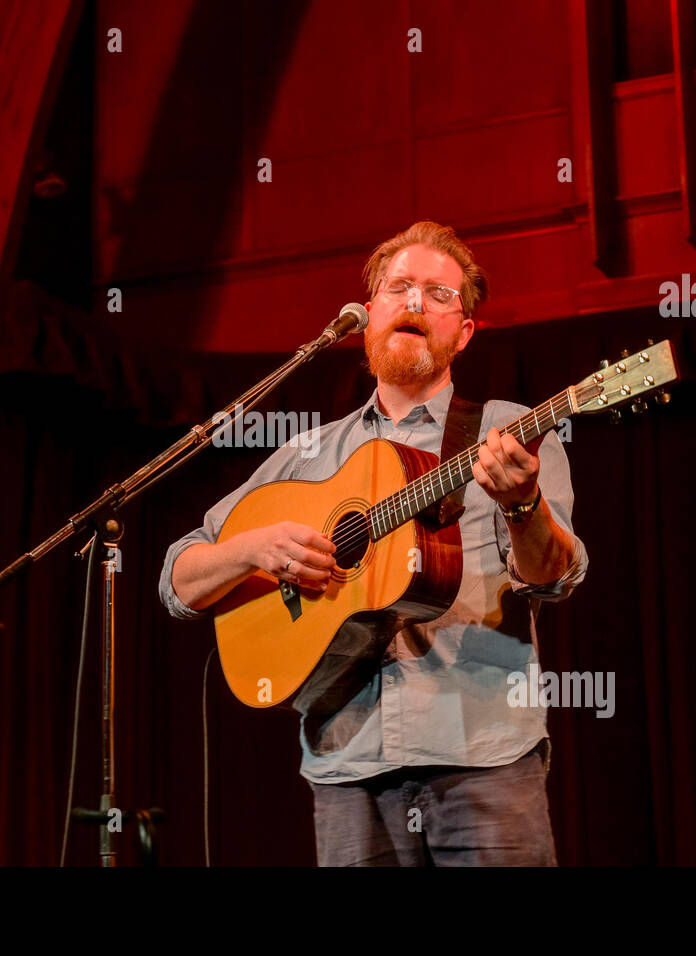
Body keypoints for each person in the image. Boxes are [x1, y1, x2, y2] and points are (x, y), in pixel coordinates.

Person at [158, 220, 588, 866]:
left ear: (465, 332)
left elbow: (553, 577)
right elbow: (179, 578)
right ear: (367, 316)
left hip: (481, 759)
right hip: (346, 767)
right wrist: (254, 549)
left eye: (440, 295)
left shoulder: (508, 433)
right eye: (399, 288)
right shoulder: (308, 453)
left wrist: (522, 506)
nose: (416, 303)